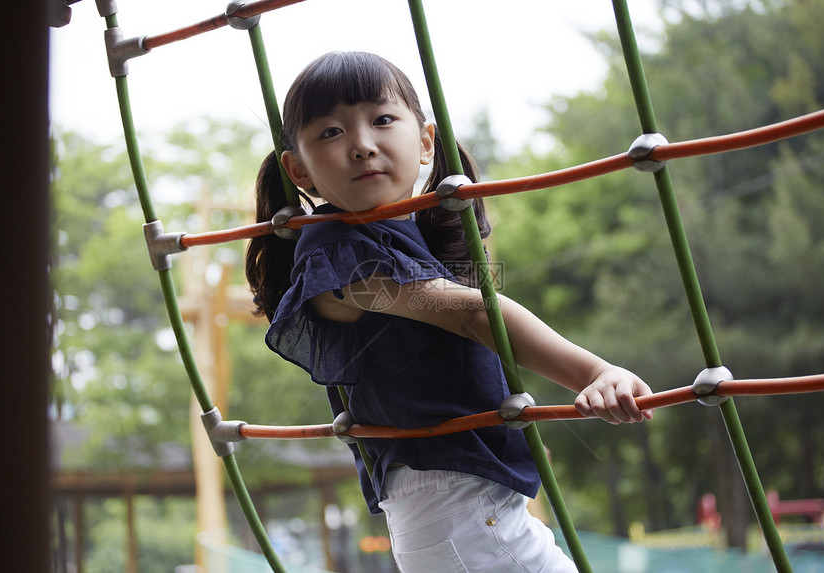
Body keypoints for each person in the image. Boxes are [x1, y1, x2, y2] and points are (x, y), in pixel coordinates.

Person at [246, 51, 653, 572]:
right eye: (329, 132)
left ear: (424, 143)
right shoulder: (337, 253)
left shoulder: (398, 234)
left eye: (383, 119)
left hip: (460, 508)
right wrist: (594, 371)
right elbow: (472, 315)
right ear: (297, 169)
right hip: (455, 508)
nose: (362, 145)